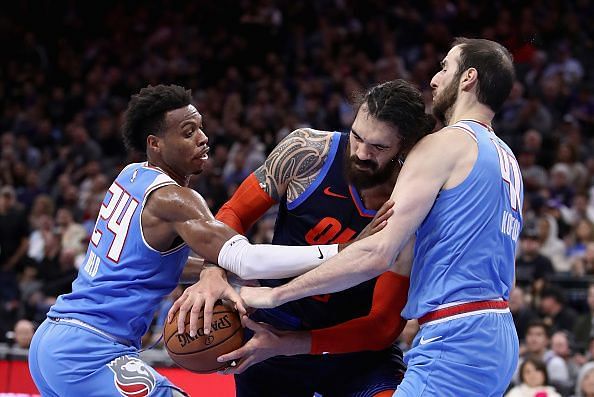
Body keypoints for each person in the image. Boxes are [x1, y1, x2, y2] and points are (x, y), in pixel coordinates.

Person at [27, 84, 362, 397]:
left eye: (201, 128)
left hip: (51, 339)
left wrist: (222, 275)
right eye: (188, 132)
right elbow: (243, 256)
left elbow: (148, 263)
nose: (202, 138)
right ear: (154, 144)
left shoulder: (130, 175)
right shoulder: (175, 199)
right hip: (89, 350)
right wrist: (341, 252)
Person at [240, 37, 522, 395]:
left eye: (444, 67)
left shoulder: (445, 143)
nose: (434, 80)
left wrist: (273, 297)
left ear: (467, 78)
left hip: (456, 335)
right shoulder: (504, 157)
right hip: (497, 334)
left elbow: (377, 253)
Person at [215, 80, 435, 396]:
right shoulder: (307, 153)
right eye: (358, 136)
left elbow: (382, 326)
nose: (361, 152)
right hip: (274, 328)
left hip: (354, 348)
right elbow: (233, 213)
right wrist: (212, 272)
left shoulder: (413, 201)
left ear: (407, 146)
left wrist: (292, 346)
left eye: (378, 147)